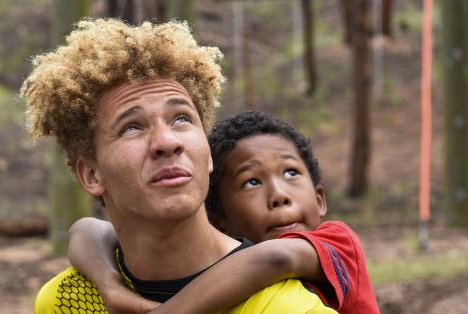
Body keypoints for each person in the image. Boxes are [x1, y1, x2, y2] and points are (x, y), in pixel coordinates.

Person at [22, 18, 335, 314]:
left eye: (181, 118)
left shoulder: (290, 308)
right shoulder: (66, 302)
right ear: (92, 174)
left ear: (208, 154)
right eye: (132, 127)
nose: (167, 141)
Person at [70, 111, 380, 313]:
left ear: (320, 199)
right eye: (252, 182)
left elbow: (272, 259)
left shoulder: (339, 243)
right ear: (219, 219)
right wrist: (108, 284)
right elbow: (87, 229)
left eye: (290, 173)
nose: (280, 196)